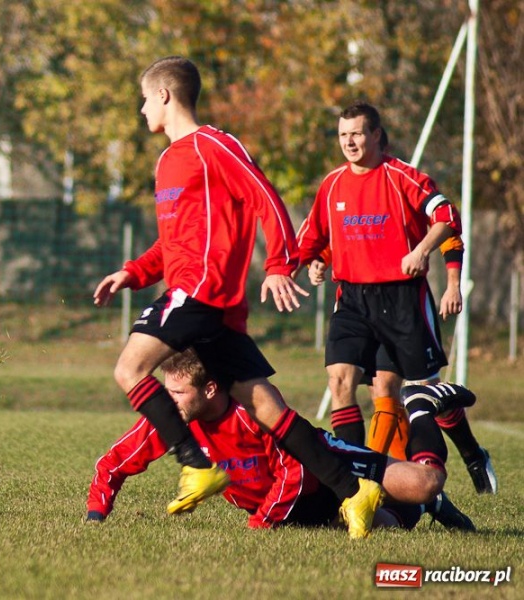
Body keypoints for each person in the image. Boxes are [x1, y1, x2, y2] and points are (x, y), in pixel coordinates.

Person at [92, 56, 384, 538]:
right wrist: (132, 272)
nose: (141, 109)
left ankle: (195, 462)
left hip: (201, 291)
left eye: (144, 99)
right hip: (203, 301)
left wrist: (276, 266)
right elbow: (173, 242)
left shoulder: (214, 145)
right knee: (266, 407)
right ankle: (356, 493)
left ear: (164, 95)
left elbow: (264, 197)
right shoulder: (167, 161)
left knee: (129, 368)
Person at [297, 100, 495, 492]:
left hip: (402, 300)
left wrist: (426, 257)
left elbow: (447, 220)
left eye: (356, 133)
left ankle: (472, 453)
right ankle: (351, 485)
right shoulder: (333, 183)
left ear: (375, 135)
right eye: (342, 135)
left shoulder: (402, 176)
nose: (349, 142)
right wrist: (314, 262)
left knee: (422, 393)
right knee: (340, 382)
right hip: (352, 298)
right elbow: (316, 237)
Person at [86, 350, 475, 532]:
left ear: (209, 390)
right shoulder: (171, 422)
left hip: (323, 467)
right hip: (301, 507)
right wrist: (95, 517)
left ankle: (422, 406)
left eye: (177, 394)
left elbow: (296, 473)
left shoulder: (254, 414)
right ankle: (424, 510)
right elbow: (113, 464)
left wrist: (261, 523)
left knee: (425, 484)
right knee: (389, 526)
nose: (166, 404)